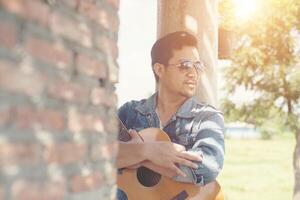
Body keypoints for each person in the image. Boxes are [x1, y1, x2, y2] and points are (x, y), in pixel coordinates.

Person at [116, 31, 225, 199]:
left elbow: (209, 166)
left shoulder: (207, 117)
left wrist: (138, 154)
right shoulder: (129, 112)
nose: (193, 73)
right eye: (185, 65)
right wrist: (148, 151)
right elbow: (100, 155)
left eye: (197, 65)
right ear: (159, 69)